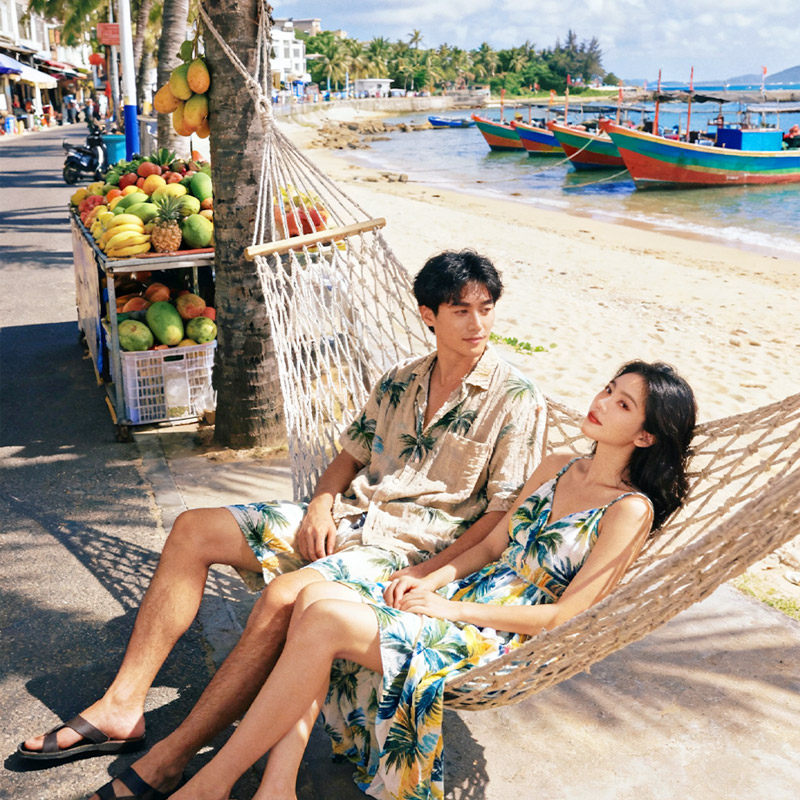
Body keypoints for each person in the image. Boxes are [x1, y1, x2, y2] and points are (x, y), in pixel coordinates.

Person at [19, 250, 547, 798]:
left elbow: (500, 515)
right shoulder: (401, 380)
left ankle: (171, 759)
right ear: (427, 315)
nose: (478, 324)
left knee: (283, 597)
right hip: (346, 517)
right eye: (461, 311)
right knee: (193, 528)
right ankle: (122, 707)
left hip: (409, 550)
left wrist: (431, 577)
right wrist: (320, 504)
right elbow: (350, 455)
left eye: (486, 309)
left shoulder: (515, 398)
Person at [165, 360, 697, 800]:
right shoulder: (559, 464)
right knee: (312, 594)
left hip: (497, 635)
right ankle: (275, 789)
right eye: (608, 389)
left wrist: (451, 611)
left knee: (324, 617)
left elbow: (565, 616)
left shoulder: (630, 510)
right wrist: (430, 579)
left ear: (647, 436)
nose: (601, 403)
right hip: (460, 598)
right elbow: (491, 545)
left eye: (622, 404)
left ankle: (214, 783)